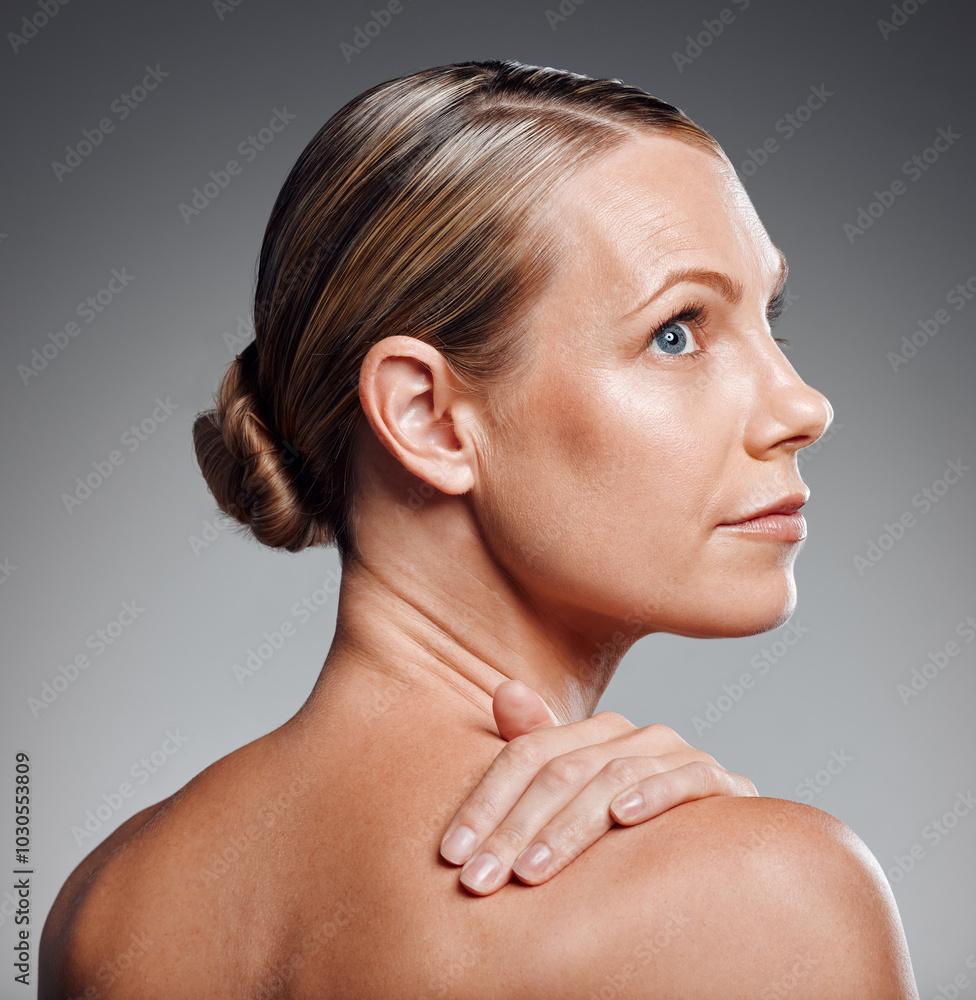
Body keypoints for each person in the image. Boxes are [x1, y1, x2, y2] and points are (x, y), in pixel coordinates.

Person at [39, 59, 920, 998]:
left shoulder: (102, 902)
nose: (803, 405)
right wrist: (753, 879)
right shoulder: (767, 896)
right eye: (678, 331)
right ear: (427, 416)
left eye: (769, 318)